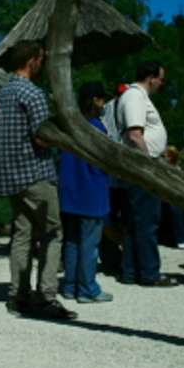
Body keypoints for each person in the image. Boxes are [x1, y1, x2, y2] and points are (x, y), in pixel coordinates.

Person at [0, 40, 77, 320]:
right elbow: (41, 135)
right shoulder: (33, 93)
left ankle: (18, 295)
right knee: (53, 232)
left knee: (22, 233)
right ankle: (47, 296)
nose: (43, 63)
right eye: (42, 58)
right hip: (35, 173)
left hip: (9, 176)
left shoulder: (1, 94)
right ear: (32, 61)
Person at [116, 60, 177, 287]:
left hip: (138, 166)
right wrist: (150, 162)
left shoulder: (135, 97)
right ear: (151, 78)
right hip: (143, 167)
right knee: (146, 221)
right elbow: (135, 134)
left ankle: (131, 270)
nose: (161, 84)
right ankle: (149, 272)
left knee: (136, 221)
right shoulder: (135, 97)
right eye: (161, 79)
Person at [58, 81, 113, 303]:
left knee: (71, 241)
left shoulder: (70, 125)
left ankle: (70, 285)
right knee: (90, 244)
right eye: (103, 99)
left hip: (70, 192)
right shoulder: (97, 128)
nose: (105, 104)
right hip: (92, 192)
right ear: (96, 100)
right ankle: (87, 288)